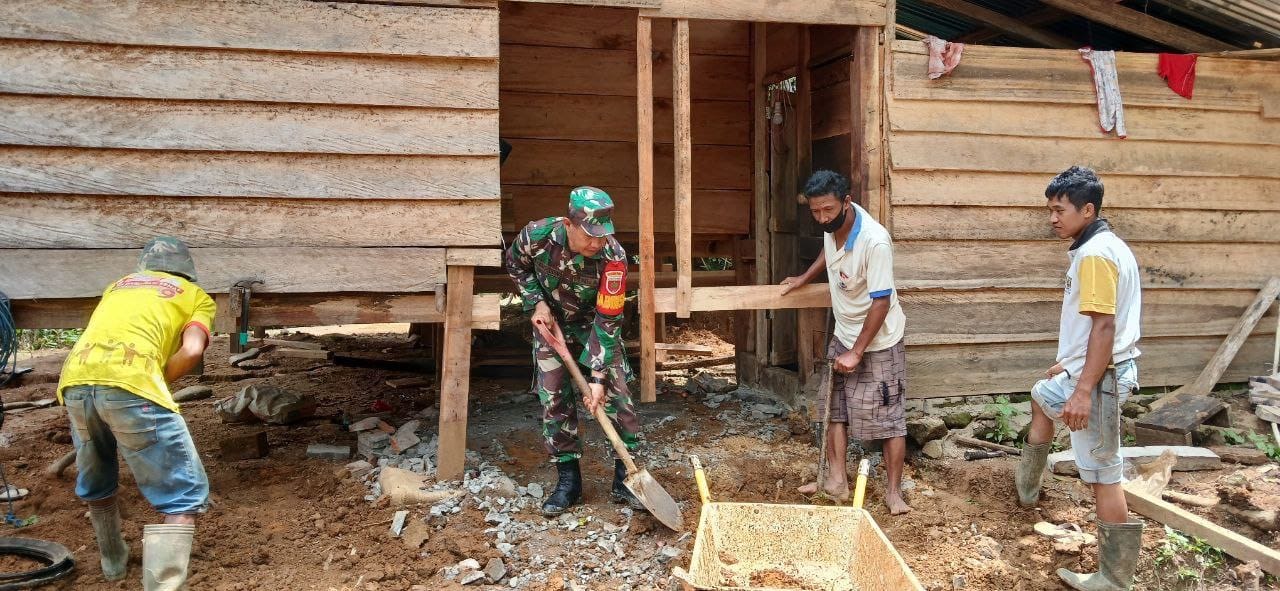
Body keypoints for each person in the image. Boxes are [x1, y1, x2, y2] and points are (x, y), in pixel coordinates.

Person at [57, 237, 214, 590]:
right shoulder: (194, 295)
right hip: (132, 384)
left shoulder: (118, 286)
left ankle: (113, 563)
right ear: (188, 270)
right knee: (182, 494)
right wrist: (155, 380)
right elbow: (191, 350)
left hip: (76, 382)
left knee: (97, 477)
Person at [1015, 166, 1143, 590]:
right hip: (1091, 368)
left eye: (1060, 210)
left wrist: (1084, 389)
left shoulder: (1095, 256)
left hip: (1102, 380)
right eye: (1049, 210)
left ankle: (1114, 579)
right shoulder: (1104, 246)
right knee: (1041, 395)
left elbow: (1104, 327)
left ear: (1087, 210)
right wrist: (1070, 363)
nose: (1052, 218)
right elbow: (1095, 326)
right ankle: (1027, 490)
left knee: (1104, 475)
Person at [504, 186, 643, 516]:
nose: (597, 243)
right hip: (551, 322)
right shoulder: (536, 236)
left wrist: (597, 378)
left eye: (602, 235)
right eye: (590, 235)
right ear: (569, 223)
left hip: (593, 323)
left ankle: (625, 479)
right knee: (553, 397)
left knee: (618, 395)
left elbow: (608, 318)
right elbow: (516, 265)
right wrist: (536, 303)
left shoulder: (613, 256)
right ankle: (569, 482)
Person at [781, 170, 911, 515]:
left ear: (847, 202)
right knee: (833, 409)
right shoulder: (832, 228)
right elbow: (830, 252)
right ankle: (837, 482)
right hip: (845, 333)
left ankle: (894, 492)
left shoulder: (874, 241)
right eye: (815, 211)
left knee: (889, 419)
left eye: (828, 210)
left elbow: (881, 301)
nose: (822, 218)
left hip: (880, 341)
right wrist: (804, 277)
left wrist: (857, 351)